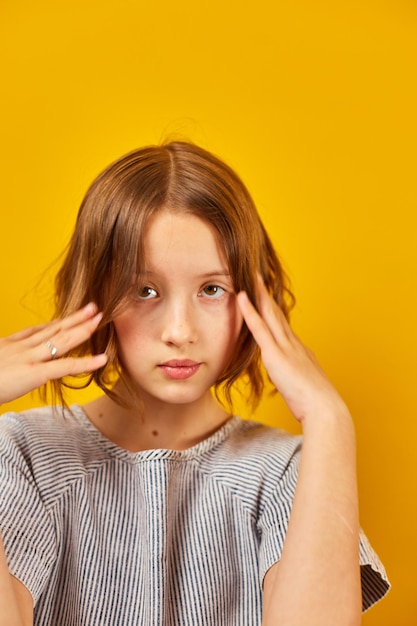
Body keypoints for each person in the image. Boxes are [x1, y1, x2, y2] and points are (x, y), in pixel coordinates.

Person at [0, 141, 389, 626]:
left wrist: (331, 420)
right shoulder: (23, 455)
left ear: (250, 299)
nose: (180, 331)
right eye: (144, 290)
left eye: (211, 289)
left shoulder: (287, 472)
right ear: (98, 292)